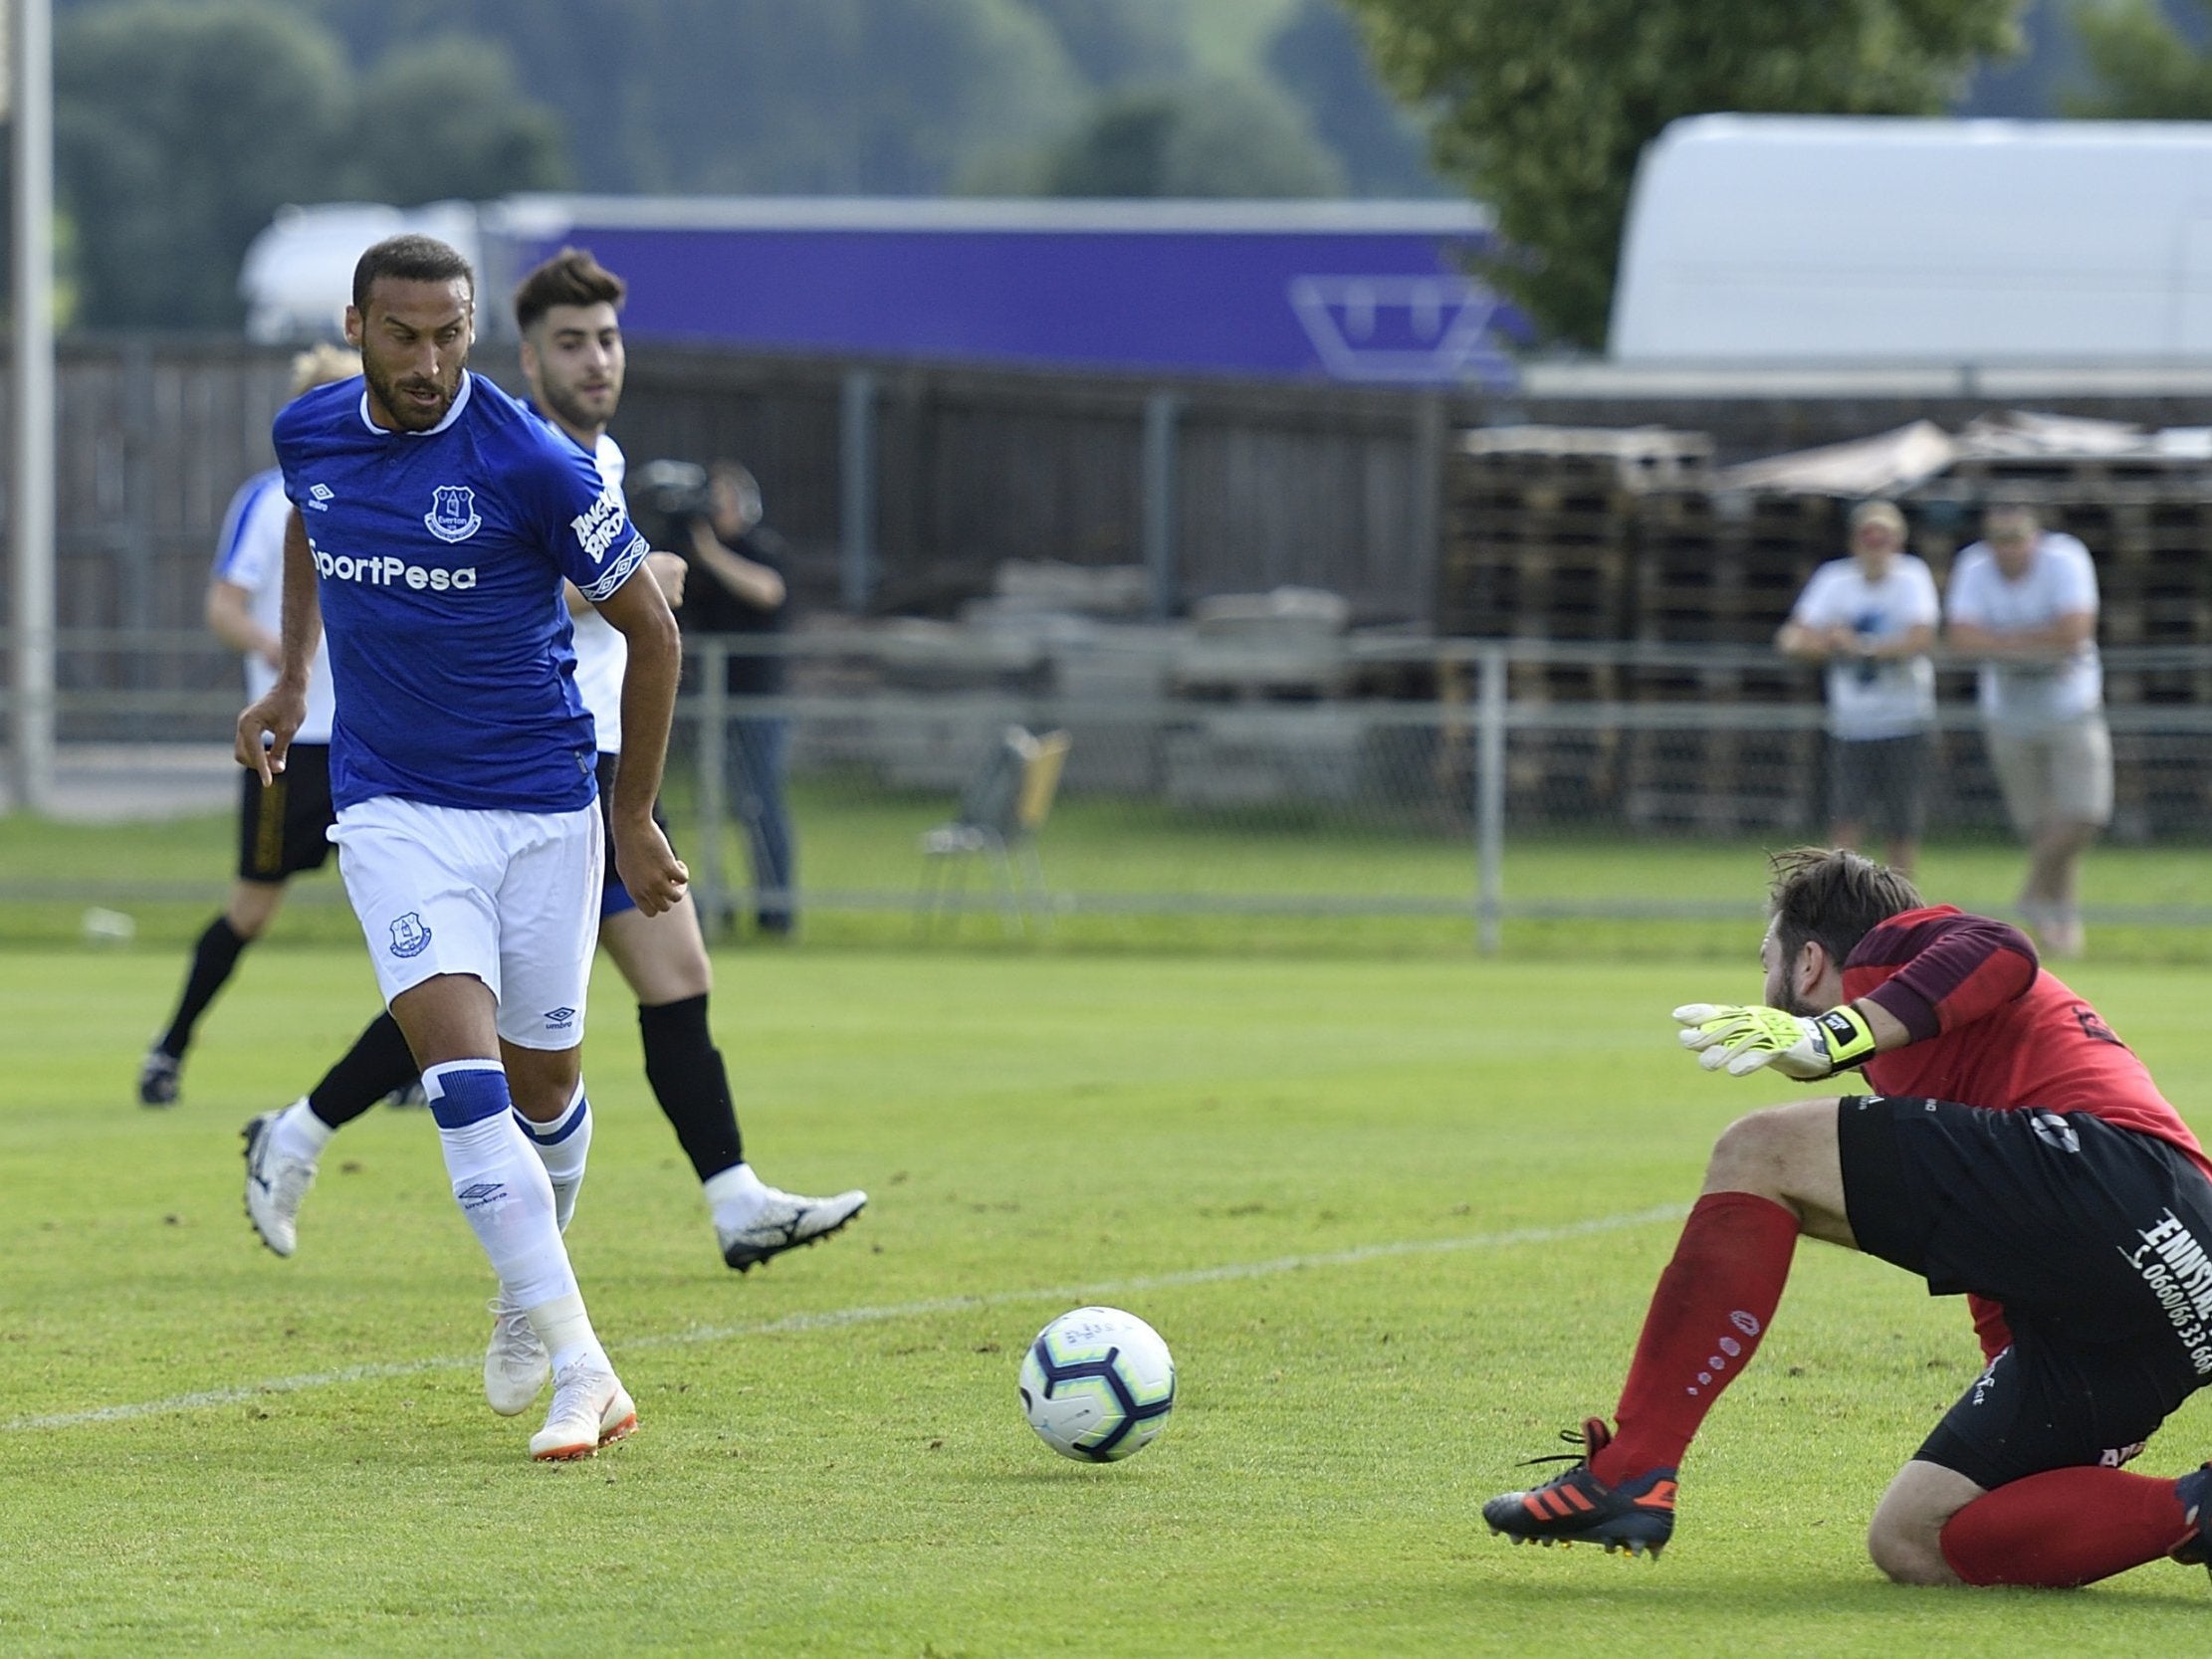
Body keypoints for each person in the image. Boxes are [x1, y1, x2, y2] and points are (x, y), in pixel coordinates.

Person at [240, 250, 862, 1340]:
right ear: (528, 359)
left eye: (608, 340)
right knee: (466, 1012)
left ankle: (723, 1198)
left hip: (590, 778)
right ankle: (320, 1147)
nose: (596, 361)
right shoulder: (509, 451)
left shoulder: (597, 463)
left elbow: (621, 617)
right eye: (572, 344)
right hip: (483, 779)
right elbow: (427, 555)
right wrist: (297, 675)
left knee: (642, 991)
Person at [235, 233, 684, 1462]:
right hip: (393, 808)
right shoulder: (310, 432)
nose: (429, 361)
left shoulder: (532, 461)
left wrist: (631, 814)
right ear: (358, 326)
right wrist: (294, 677)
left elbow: (653, 632)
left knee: (547, 1092)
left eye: (449, 335)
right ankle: (585, 1369)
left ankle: (526, 1294)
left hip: (542, 811)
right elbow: (309, 523)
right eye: (403, 335)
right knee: (462, 1083)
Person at [1482, 847, 2212, 1589]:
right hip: (2179, 1276)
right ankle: (2197, 1508)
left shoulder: (1887, 951)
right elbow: (1995, 1241)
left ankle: (1631, 1469)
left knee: (1760, 1151)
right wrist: (2016, 1406)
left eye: (1765, 961)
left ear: (1807, 963)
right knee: (1918, 1539)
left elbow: (2003, 947)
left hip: (2120, 1175)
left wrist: (1827, 1037)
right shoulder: (1929, 1062)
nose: (1764, 987)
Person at [135, 344, 365, 1108]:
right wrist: (277, 646)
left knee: (407, 908)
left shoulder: (394, 493)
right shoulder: (269, 501)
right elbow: (223, 606)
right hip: (290, 747)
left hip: (376, 742)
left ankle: (413, 1066)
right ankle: (169, 1047)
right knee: (252, 910)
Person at [1944, 503, 2110, 958]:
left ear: (2035, 537)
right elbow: (1961, 638)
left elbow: (2074, 632)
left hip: (2072, 704)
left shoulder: (2066, 558)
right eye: (1999, 539)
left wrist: (2000, 645)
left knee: (2085, 814)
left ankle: (2031, 893)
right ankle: (2061, 930)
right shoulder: (1973, 566)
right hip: (2007, 711)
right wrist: (2034, 644)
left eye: (2017, 538)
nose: (2008, 549)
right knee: (2041, 825)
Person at [1775, 500, 1940, 876]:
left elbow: (1920, 638)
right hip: (1851, 723)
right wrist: (1831, 644)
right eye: (1868, 537)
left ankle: (1902, 905)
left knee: (1902, 827)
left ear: (1898, 542)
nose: (1875, 546)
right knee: (1844, 824)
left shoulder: (1912, 576)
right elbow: (1790, 640)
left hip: (1906, 719)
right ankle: (1843, 901)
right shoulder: (1834, 579)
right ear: (1854, 542)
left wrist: (1860, 647)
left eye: (1884, 538)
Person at [676, 462, 797, 936]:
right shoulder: (692, 556)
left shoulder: (759, 548)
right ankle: (711, 907)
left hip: (756, 703)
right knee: (710, 808)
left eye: (722, 501)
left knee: (761, 804)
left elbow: (769, 591)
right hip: (708, 704)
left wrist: (711, 552)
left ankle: (776, 910)